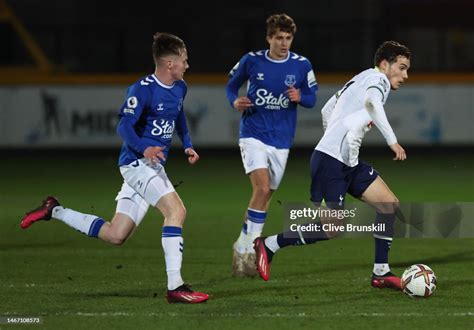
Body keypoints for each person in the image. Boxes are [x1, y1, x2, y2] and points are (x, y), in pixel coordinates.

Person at [20, 32, 209, 304]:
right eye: (184, 60)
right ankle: (176, 287)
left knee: (116, 234)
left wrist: (188, 143)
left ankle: (54, 210)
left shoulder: (180, 87)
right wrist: (144, 148)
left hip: (151, 166)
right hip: (137, 164)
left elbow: (178, 114)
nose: (187, 65)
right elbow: (123, 125)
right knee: (176, 211)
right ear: (170, 64)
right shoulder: (142, 89)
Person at [254, 41, 411, 290]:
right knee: (331, 228)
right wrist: (392, 141)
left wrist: (335, 140)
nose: (404, 75)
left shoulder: (361, 78)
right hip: (331, 163)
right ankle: (270, 244)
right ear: (384, 64)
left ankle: (381, 272)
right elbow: (372, 104)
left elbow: (327, 109)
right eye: (401, 68)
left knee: (388, 205)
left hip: (345, 162)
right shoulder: (378, 81)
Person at [226, 14, 318, 277]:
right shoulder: (252, 60)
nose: (284, 43)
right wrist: (235, 101)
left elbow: (312, 98)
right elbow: (231, 86)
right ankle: (249, 247)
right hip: (253, 134)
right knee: (262, 187)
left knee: (266, 195)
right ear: (269, 38)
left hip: (282, 140)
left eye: (288, 38)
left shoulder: (302, 65)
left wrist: (301, 96)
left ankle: (243, 242)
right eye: (279, 37)